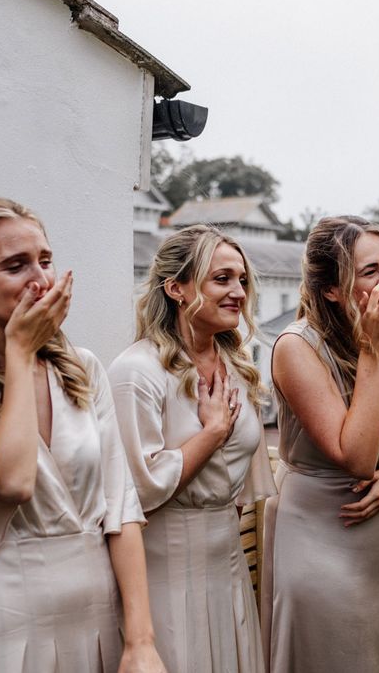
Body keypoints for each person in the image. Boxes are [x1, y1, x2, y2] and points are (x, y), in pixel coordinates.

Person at [0, 198, 165, 673]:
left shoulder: (82, 368)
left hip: (98, 613)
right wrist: (20, 353)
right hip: (8, 618)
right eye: (15, 265)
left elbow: (121, 509)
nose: (41, 280)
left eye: (45, 261)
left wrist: (141, 640)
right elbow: (13, 482)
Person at [108, 225, 276, 673]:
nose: (238, 292)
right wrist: (211, 433)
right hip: (164, 576)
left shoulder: (238, 368)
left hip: (228, 568)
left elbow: (238, 490)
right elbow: (134, 493)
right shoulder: (136, 372)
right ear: (176, 288)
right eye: (222, 279)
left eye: (242, 280)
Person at [262, 216, 379, 673]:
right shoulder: (297, 348)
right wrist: (371, 349)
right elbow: (356, 459)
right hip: (323, 530)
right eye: (371, 271)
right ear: (332, 289)